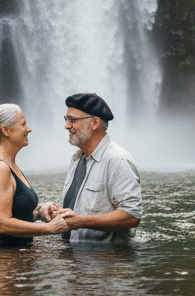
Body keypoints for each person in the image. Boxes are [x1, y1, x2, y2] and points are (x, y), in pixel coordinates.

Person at [36, 92, 143, 243]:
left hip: (107, 262)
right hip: (77, 259)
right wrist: (54, 211)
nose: (66, 126)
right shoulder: (77, 158)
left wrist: (80, 221)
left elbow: (132, 215)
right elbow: (81, 212)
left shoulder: (118, 160)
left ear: (94, 123)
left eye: (72, 120)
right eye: (66, 119)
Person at [0, 103, 70, 247]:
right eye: (23, 124)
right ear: (6, 130)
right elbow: (3, 224)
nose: (29, 129)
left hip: (13, 257)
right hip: (1, 258)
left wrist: (40, 212)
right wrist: (49, 228)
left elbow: (15, 212)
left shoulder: (9, 164)